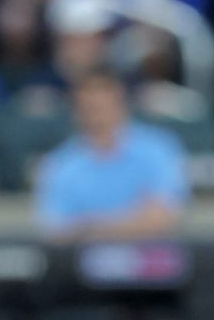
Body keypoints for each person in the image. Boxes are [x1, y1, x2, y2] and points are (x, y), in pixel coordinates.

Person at [35, 66, 189, 243]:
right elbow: (56, 232)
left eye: (103, 105)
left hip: (150, 257)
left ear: (121, 102)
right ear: (76, 108)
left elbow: (162, 219)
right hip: (82, 260)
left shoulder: (159, 148)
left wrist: (89, 226)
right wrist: (134, 221)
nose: (97, 114)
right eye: (90, 107)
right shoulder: (59, 164)